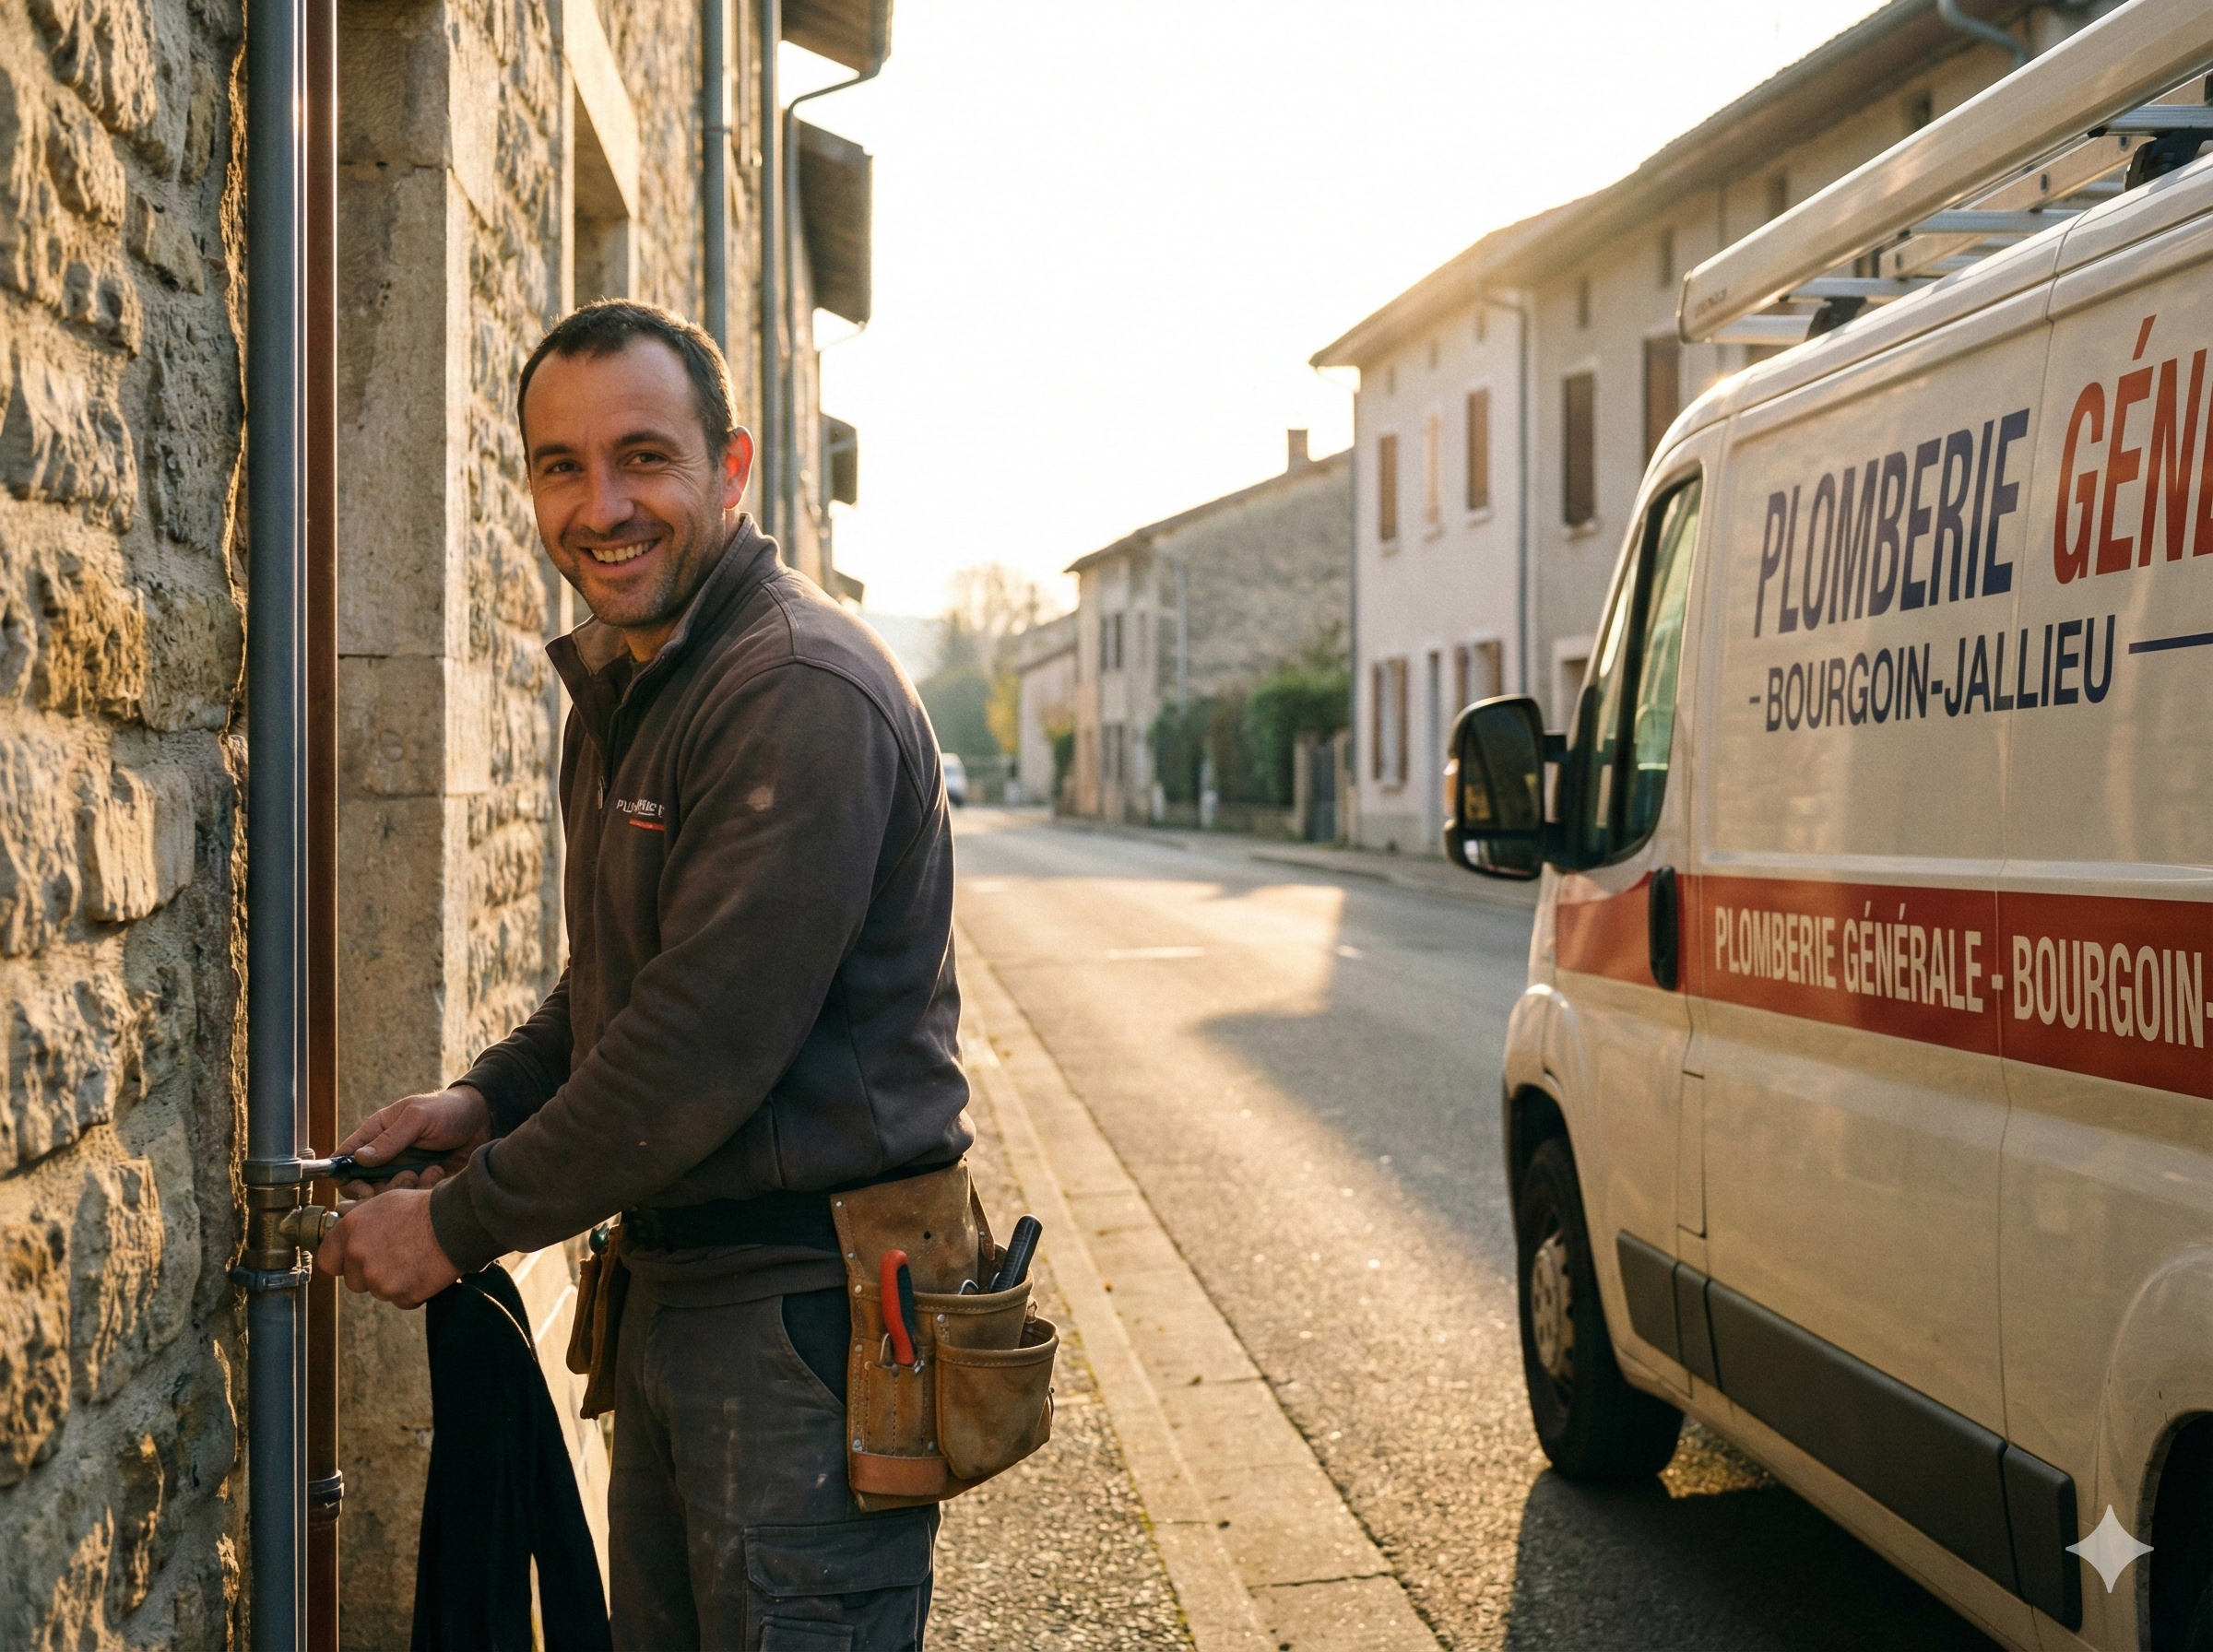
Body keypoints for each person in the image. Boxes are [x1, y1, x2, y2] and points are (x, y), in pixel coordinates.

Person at [316, 300, 972, 1649]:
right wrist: (484, 1100)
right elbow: (617, 987)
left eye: (643, 458)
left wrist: (450, 1228)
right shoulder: (641, 680)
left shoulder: (796, 689)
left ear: (729, 472)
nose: (602, 505)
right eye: (562, 466)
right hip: (682, 1303)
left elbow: (692, 1051)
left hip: (806, 1326)